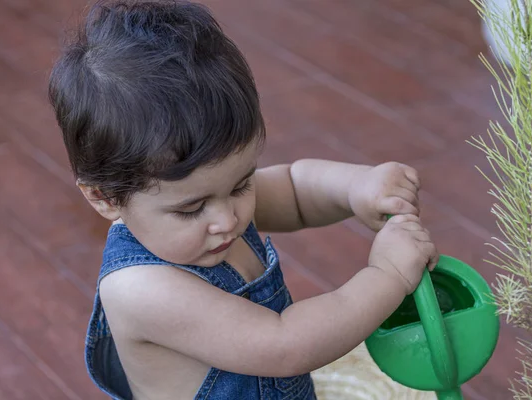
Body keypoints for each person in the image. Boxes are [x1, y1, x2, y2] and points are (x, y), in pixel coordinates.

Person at [48, 1, 439, 399]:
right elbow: (286, 346)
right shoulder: (142, 289)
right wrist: (389, 274)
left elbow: (294, 188)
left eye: (241, 184)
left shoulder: (211, 207)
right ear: (106, 197)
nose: (227, 219)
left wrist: (359, 186)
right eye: (191, 209)